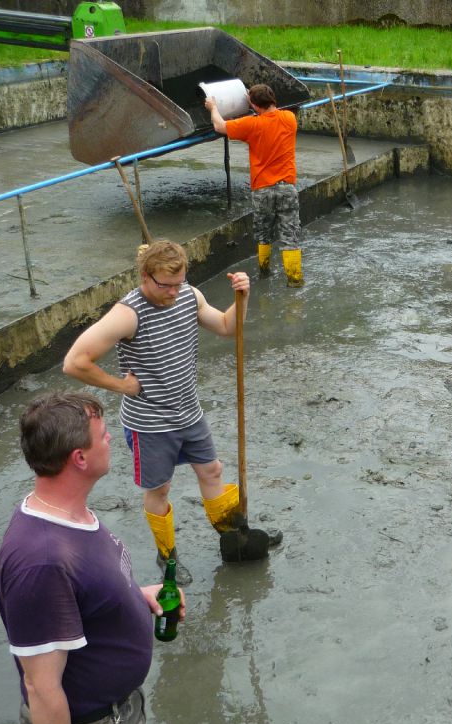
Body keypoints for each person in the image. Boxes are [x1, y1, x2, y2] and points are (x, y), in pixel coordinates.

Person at [63, 240, 275, 585]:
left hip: (189, 411)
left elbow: (227, 327)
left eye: (180, 283)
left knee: (212, 470)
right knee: (159, 490)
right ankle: (167, 556)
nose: (174, 292)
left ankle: (234, 534)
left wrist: (242, 298)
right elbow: (74, 362)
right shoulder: (128, 313)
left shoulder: (189, 296)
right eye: (166, 286)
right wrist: (122, 386)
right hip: (150, 424)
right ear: (146, 277)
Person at [0, 392, 185, 724]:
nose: (110, 438)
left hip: (115, 717)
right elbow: (42, 688)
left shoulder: (68, 515)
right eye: (103, 434)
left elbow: (84, 592)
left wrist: (135, 597)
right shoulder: (42, 562)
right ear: (79, 458)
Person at [206, 82, 302, 284]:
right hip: (287, 188)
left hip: (262, 189)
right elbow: (270, 115)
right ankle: (294, 281)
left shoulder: (251, 125)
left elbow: (219, 126)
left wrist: (213, 107)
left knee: (264, 235)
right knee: (290, 236)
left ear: (254, 105)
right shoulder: (289, 118)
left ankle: (264, 274)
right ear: (272, 99)